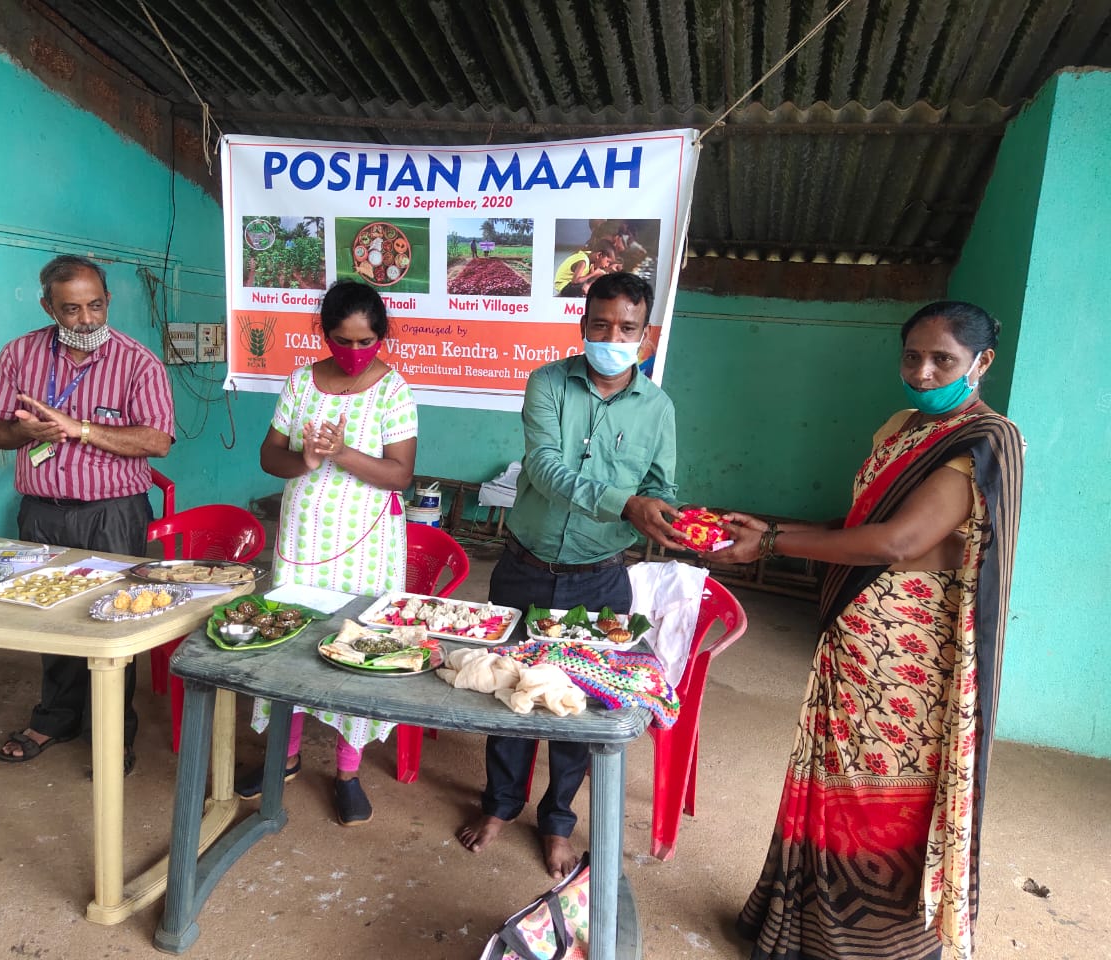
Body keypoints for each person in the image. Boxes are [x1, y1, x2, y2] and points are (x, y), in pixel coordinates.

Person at [716, 302, 1024, 960]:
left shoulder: (985, 441)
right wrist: (774, 530)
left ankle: (873, 946)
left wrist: (771, 543)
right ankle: (802, 928)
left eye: (942, 359)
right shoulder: (900, 427)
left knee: (878, 793)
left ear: (982, 362)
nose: (923, 371)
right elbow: (860, 521)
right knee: (829, 778)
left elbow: (899, 541)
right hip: (855, 636)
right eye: (912, 356)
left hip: (910, 654)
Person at [457, 272, 686, 878]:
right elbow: (545, 468)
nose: (613, 339)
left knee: (577, 708)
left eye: (627, 329)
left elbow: (661, 486)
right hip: (525, 568)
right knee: (510, 694)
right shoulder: (548, 383)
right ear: (583, 325)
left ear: (645, 335)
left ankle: (557, 821)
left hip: (600, 579)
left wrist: (669, 517)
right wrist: (626, 504)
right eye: (601, 325)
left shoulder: (657, 407)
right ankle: (500, 805)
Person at [0, 254, 175, 775]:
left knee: (113, 622)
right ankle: (56, 717)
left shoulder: (138, 362)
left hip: (112, 514)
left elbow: (157, 441)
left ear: (108, 301)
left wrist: (79, 428)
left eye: (95, 306)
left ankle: (113, 732)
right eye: (71, 309)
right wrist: (24, 432)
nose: (86, 319)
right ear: (49, 307)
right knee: (49, 616)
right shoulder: (19, 354)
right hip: (42, 514)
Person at [242, 280, 417, 826]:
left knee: (359, 645)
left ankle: (347, 771)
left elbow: (400, 475)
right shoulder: (301, 382)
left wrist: (341, 452)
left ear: (381, 336)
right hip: (302, 538)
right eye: (342, 341)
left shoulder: (393, 390)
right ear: (324, 333)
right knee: (289, 639)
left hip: (367, 545)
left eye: (366, 342)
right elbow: (270, 457)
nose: (354, 351)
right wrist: (307, 461)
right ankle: (285, 755)